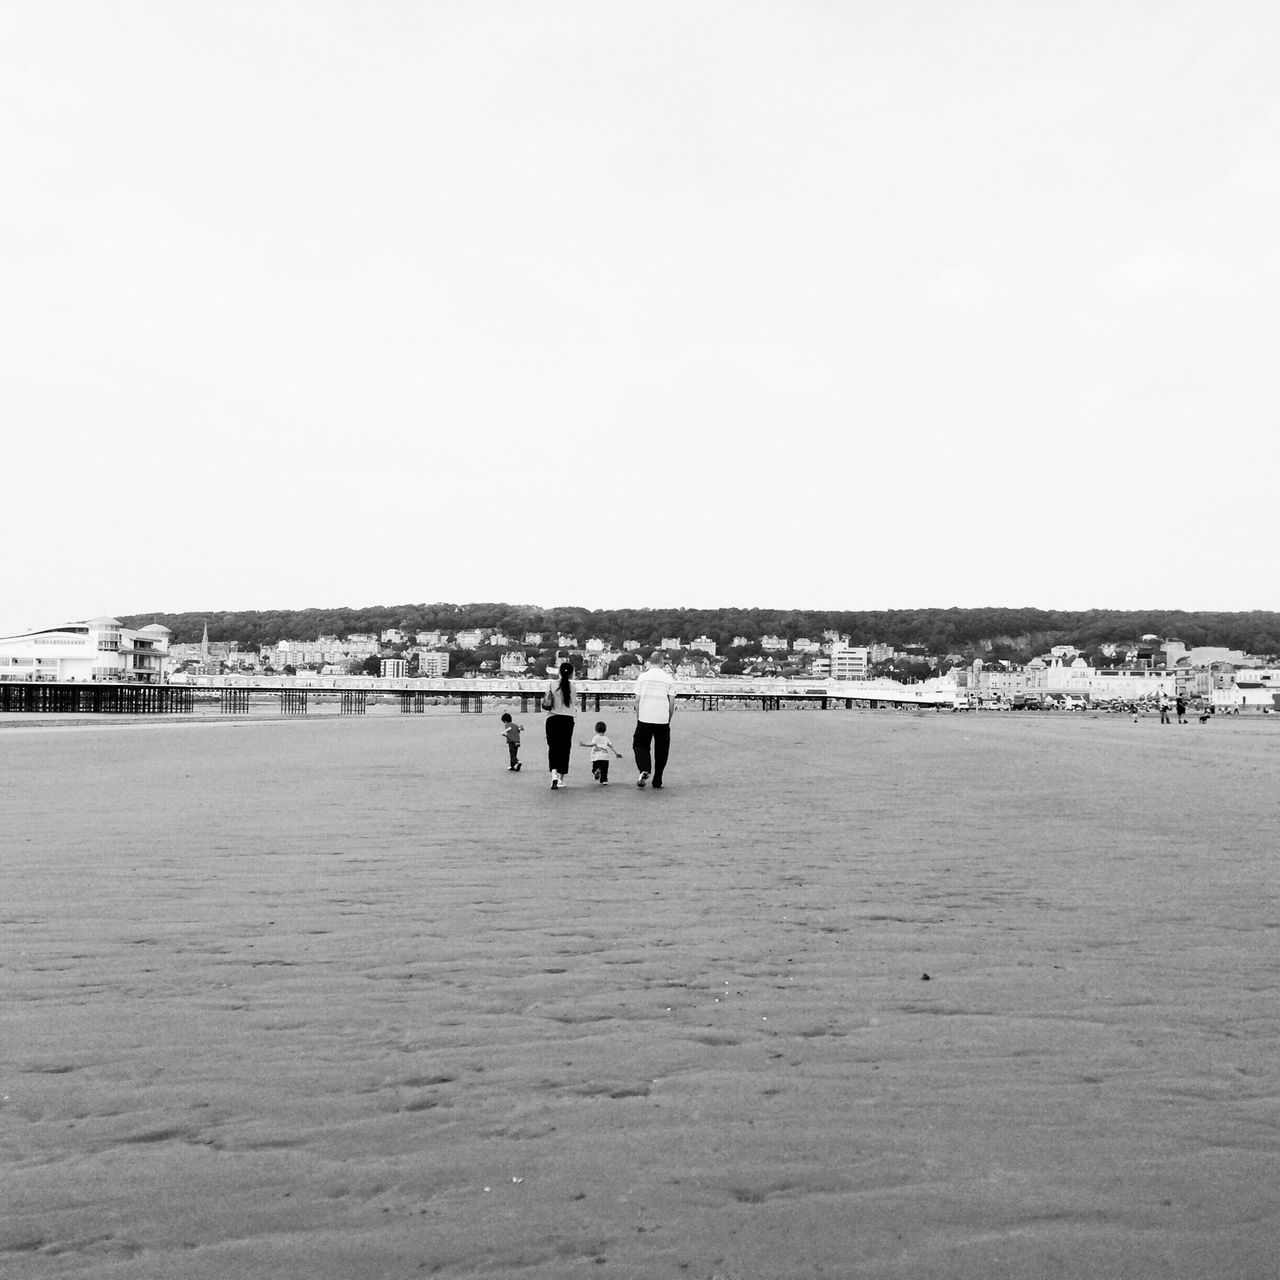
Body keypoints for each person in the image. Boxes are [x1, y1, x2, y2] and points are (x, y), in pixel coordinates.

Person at [632, 651, 677, 789]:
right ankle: (658, 779)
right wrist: (668, 718)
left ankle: (644, 768)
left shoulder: (642, 678)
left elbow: (637, 701)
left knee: (640, 745)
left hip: (645, 717)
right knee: (662, 750)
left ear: (650, 662)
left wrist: (638, 716)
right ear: (662, 661)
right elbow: (671, 703)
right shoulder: (669, 679)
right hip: (662, 719)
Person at [542, 662, 576, 788]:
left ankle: (554, 774)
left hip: (553, 718)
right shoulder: (573, 687)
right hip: (567, 720)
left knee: (553, 747)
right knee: (565, 748)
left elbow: (546, 700)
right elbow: (573, 704)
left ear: (559, 672)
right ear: (571, 674)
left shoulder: (551, 684)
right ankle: (561, 779)